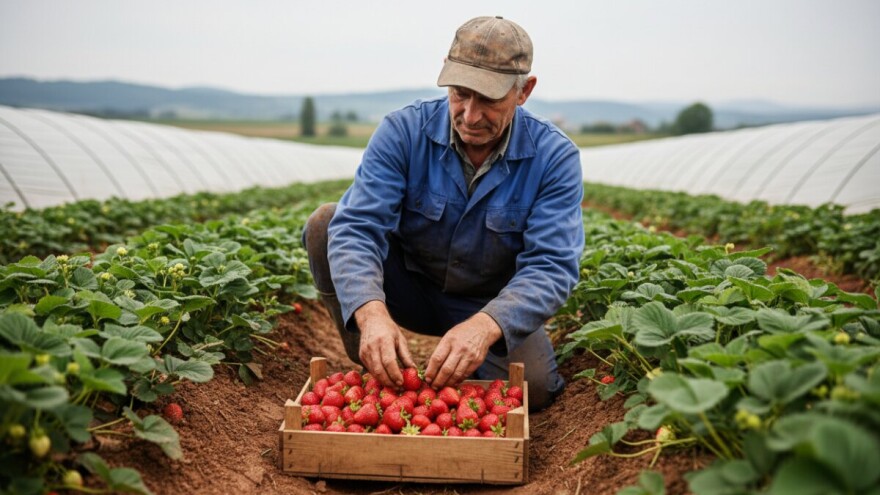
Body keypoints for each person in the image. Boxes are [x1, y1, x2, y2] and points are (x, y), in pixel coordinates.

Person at [302, 16, 584, 411]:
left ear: (524, 91)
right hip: (405, 289)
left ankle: (479, 349)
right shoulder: (403, 132)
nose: (469, 115)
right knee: (327, 223)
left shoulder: (555, 157)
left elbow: (552, 265)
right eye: (460, 93)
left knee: (531, 392)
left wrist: (486, 326)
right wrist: (370, 314)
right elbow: (358, 228)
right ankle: (370, 351)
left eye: (488, 99)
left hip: (488, 303)